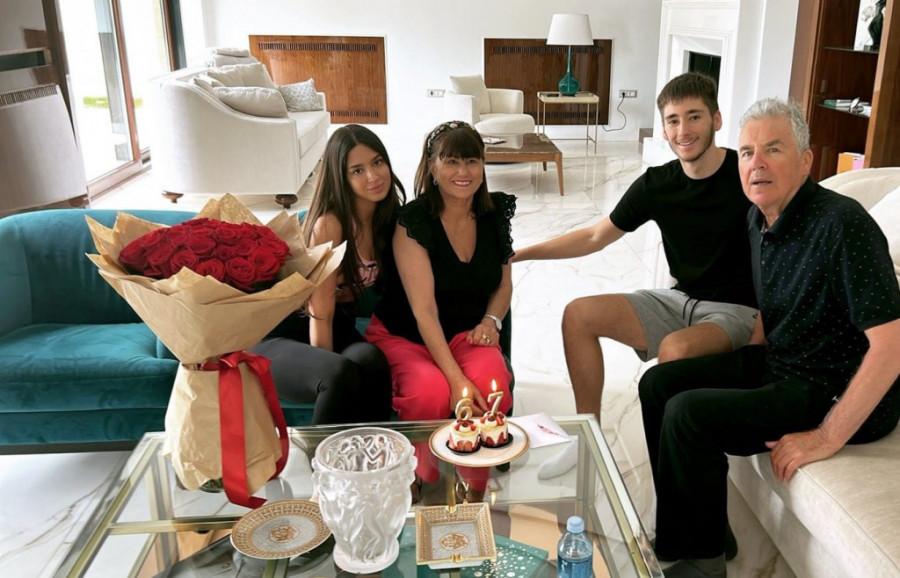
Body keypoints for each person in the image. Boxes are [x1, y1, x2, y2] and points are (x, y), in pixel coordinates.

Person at [638, 98, 900, 578]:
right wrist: (732, 367)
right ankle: (696, 530)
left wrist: (827, 435)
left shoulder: (843, 224)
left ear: (805, 160)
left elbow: (893, 344)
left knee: (689, 414)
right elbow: (772, 307)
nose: (756, 163)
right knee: (659, 384)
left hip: (833, 385)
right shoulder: (758, 218)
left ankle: (704, 564)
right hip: (784, 363)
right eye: (746, 152)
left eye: (773, 149)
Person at [512, 72, 757, 424]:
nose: (683, 130)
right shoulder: (657, 184)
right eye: (673, 120)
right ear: (664, 129)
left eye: (694, 117)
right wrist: (521, 254)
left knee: (675, 348)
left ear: (716, 119)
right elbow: (595, 236)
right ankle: (590, 432)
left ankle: (674, 442)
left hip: (736, 311)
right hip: (680, 299)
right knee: (578, 315)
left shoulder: (746, 177)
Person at [252, 124, 405, 424]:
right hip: (279, 334)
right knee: (337, 373)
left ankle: (375, 450)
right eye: (357, 170)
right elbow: (319, 314)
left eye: (377, 162)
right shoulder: (330, 225)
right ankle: (321, 455)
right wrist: (322, 366)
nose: (373, 176)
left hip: (337, 325)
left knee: (372, 360)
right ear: (341, 177)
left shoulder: (387, 221)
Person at [365, 120, 514, 422]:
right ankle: (422, 457)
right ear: (432, 168)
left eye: (472, 161)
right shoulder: (414, 221)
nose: (463, 172)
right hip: (407, 336)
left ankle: (477, 454)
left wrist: (490, 322)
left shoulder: (494, 212)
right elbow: (425, 312)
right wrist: (456, 379)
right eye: (451, 162)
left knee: (492, 389)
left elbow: (503, 284)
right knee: (430, 393)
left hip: (466, 334)